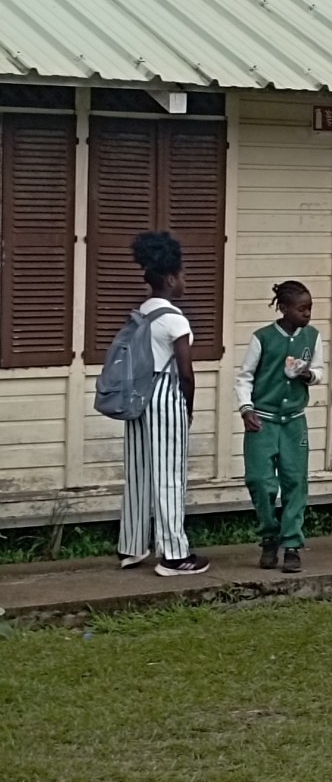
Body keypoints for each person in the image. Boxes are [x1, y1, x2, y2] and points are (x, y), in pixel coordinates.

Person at [117, 231, 210, 577]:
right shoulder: (175, 319)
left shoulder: (140, 314)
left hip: (138, 395)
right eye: (182, 275)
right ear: (170, 279)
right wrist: (188, 408)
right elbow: (186, 373)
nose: (185, 281)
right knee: (170, 474)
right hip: (165, 394)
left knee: (139, 472)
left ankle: (131, 545)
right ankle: (174, 555)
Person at [235, 280, 326, 574]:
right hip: (262, 419)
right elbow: (245, 377)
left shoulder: (312, 337)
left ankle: (292, 545)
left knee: (295, 481)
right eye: (301, 308)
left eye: (310, 308)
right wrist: (246, 408)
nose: (307, 313)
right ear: (284, 308)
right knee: (259, 480)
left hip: (294, 421)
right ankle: (269, 535)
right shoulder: (262, 338)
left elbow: (319, 371)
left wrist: (308, 375)